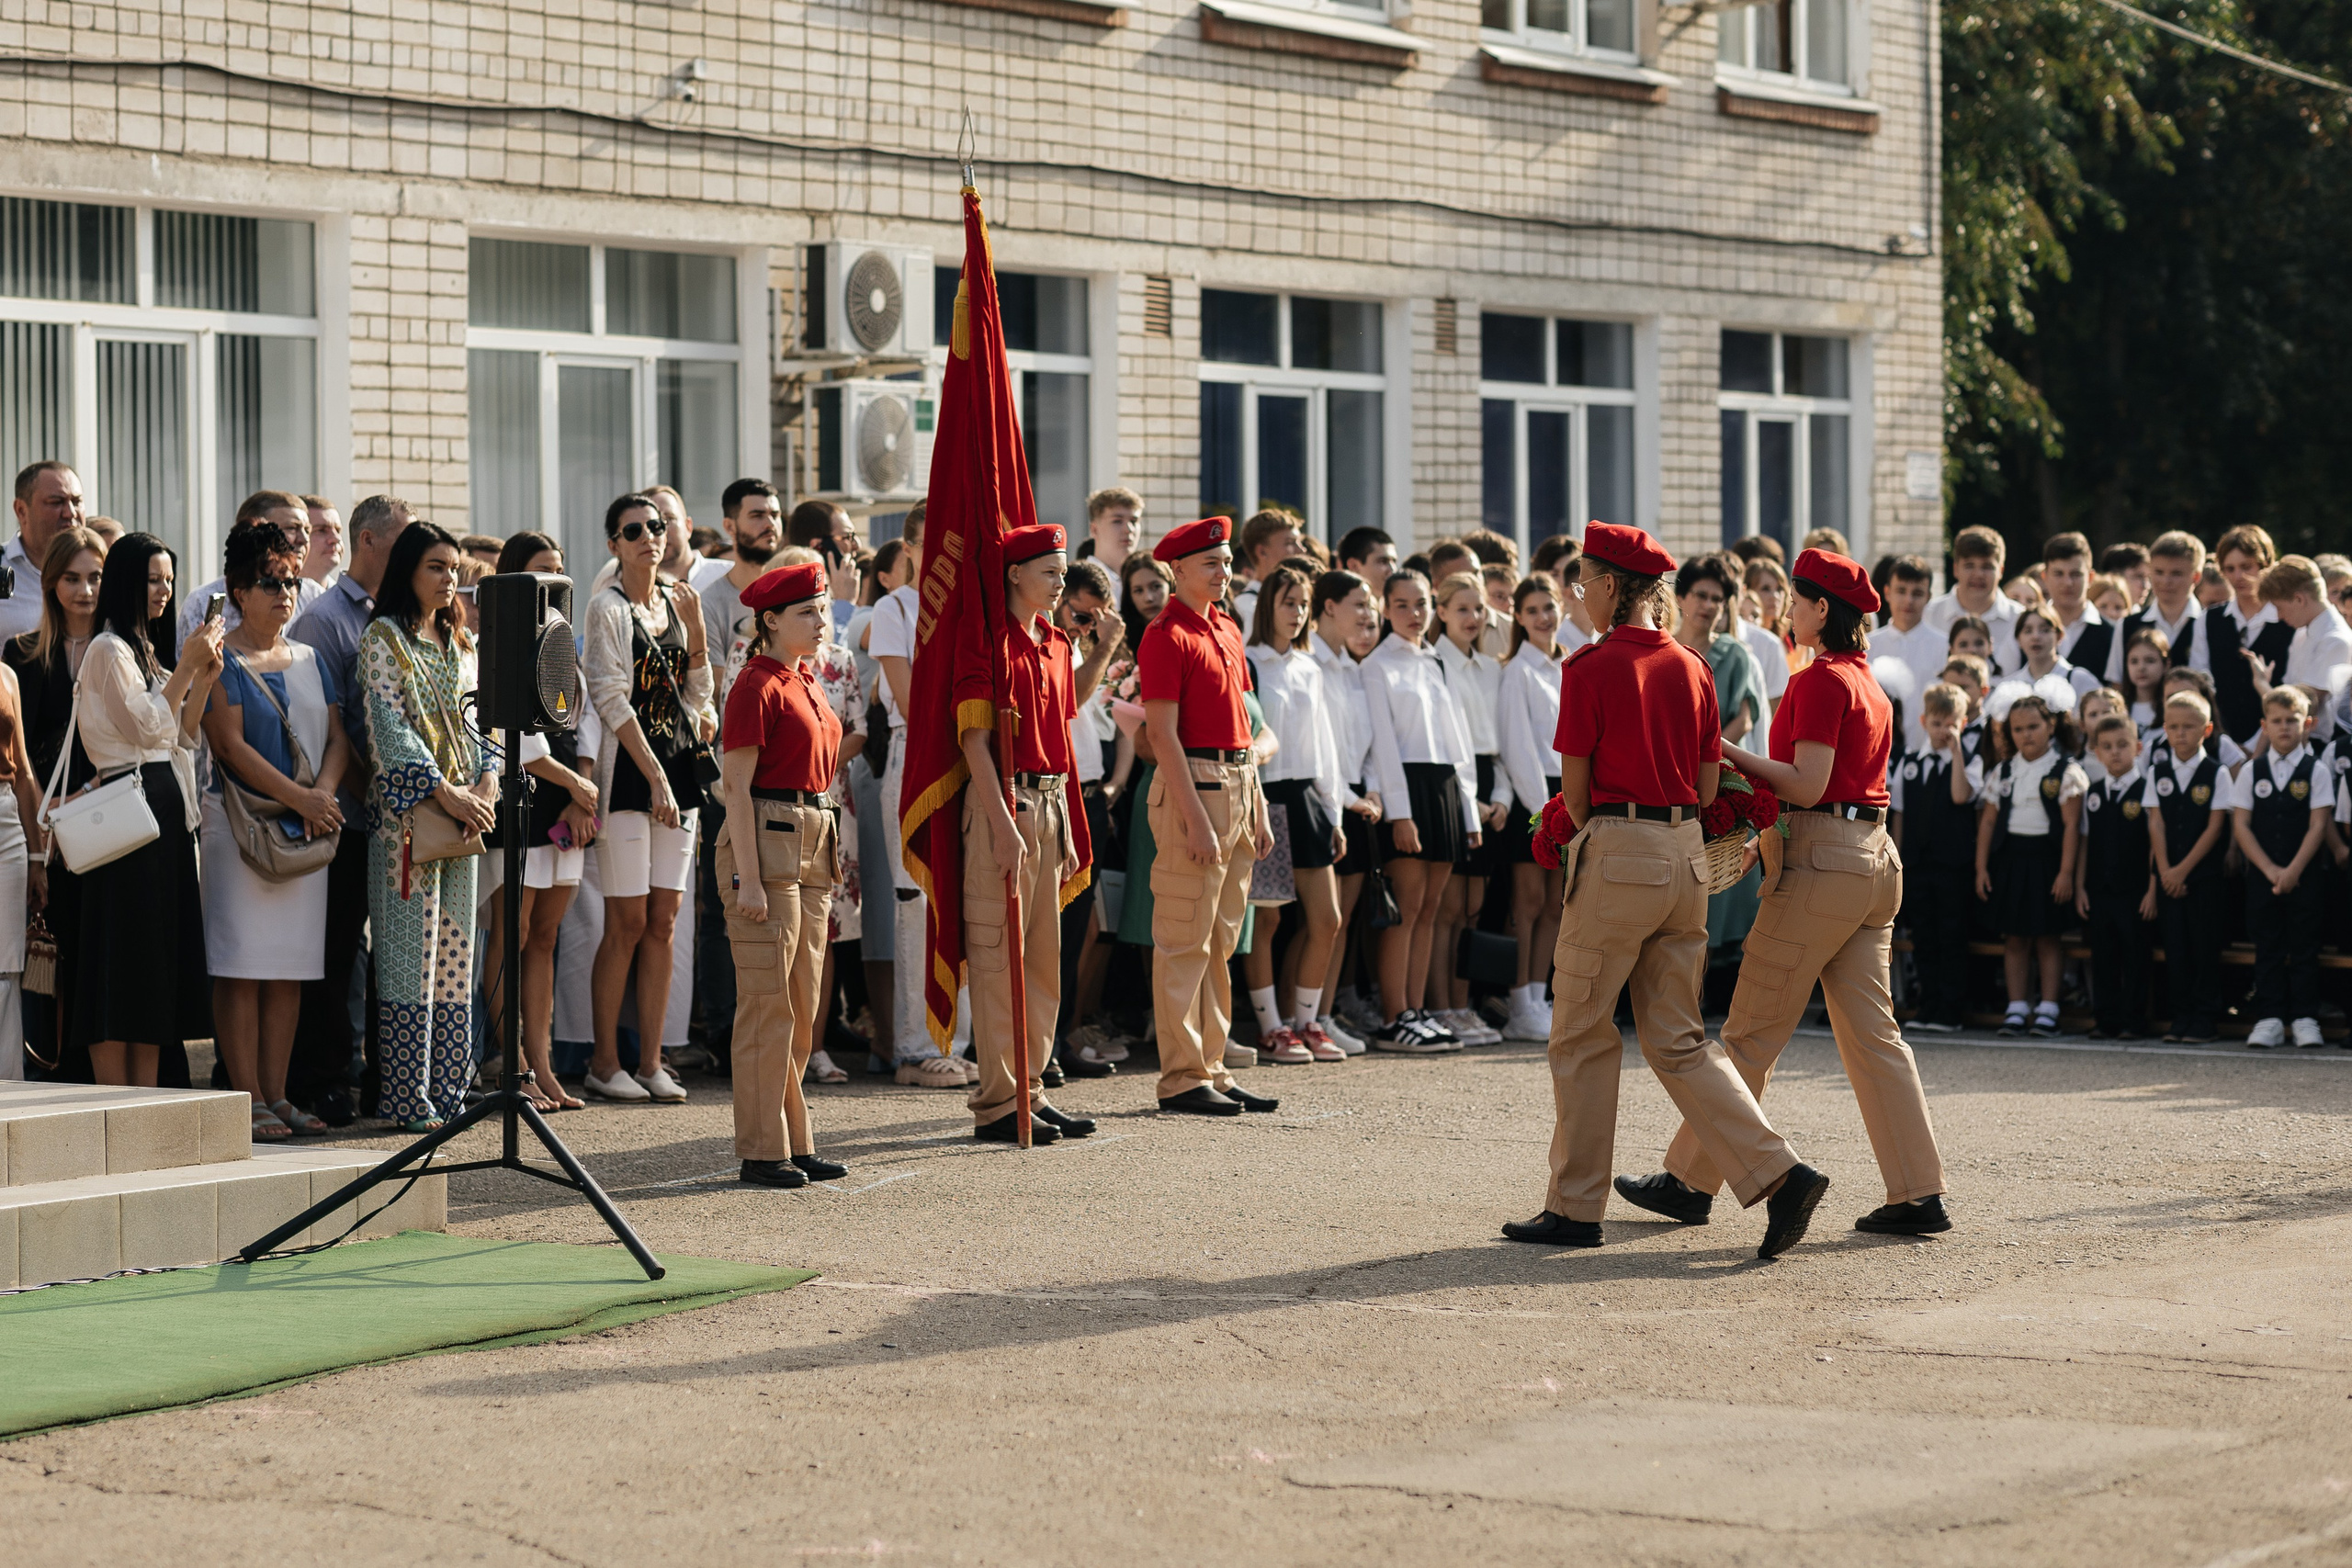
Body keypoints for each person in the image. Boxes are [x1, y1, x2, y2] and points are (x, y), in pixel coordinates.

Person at [1506, 522, 1826, 1257]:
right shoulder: (1693, 666)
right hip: (1684, 856)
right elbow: (1711, 781)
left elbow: (1578, 796)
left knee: (1583, 1032)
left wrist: (1601, 835)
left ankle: (1575, 1207)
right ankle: (1778, 1171)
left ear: (1613, 587)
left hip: (1617, 848)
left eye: (1583, 581)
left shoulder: (1588, 666)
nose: (1577, 595)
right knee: (1679, 1040)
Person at [1622, 548, 1950, 1239]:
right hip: (1870, 857)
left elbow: (1804, 784)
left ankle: (1688, 1179)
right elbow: (1826, 791)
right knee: (1874, 1036)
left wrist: (1726, 749)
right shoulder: (1866, 681)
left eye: (1798, 601)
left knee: (1749, 1032)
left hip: (1824, 866)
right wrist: (1760, 837)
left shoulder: (1819, 679)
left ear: (1821, 609)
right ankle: (1918, 1190)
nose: (1789, 611)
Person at [198, 520, 354, 1138]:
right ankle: (246, 1098)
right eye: (270, 581)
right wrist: (305, 799)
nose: (284, 593)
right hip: (240, 831)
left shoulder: (313, 658)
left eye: (291, 581)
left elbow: (339, 739)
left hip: (304, 828)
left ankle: (280, 1093)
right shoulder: (221, 657)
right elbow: (230, 747)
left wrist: (321, 795)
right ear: (238, 589)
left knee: (288, 968)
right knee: (242, 967)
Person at [952, 525, 1100, 1142]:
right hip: (1002, 808)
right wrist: (1004, 820)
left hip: (1050, 800)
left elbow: (1061, 737)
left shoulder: (1057, 642)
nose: (1062, 579)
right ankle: (996, 1100)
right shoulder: (990, 640)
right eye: (1049, 570)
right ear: (1014, 573)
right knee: (997, 959)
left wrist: (1065, 820)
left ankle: (1032, 1088)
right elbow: (974, 740)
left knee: (1043, 960)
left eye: (1064, 569)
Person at [68, 533, 221, 1087]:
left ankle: (147, 1096)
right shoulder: (107, 649)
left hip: (164, 808)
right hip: (127, 811)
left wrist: (202, 680)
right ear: (129, 580)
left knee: (153, 958)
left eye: (171, 580)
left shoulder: (142, 649)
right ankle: (114, 1097)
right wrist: (185, 670)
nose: (165, 591)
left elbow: (179, 735)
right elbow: (143, 727)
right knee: (121, 956)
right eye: (155, 579)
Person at [1136, 517, 1278, 1117]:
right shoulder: (1166, 634)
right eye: (1212, 564)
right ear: (1179, 570)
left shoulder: (1224, 627)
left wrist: (1260, 807)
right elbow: (1162, 736)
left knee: (1220, 942)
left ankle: (1212, 1066)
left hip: (1238, 782)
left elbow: (1247, 725)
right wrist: (1195, 818)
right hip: (1195, 785)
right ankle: (1181, 1076)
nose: (1225, 573)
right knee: (1183, 938)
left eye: (1226, 562)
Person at [717, 562, 851, 1187]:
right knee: (768, 1004)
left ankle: (794, 1139)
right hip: (766, 842)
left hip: (812, 838)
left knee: (802, 1002)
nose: (821, 622)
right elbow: (736, 789)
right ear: (770, 620)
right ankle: (763, 1147)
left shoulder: (805, 680)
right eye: (807, 612)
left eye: (822, 610)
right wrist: (746, 878)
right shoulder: (755, 684)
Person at [359, 523, 494, 1131]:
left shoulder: (460, 641)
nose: (448, 579)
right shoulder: (384, 639)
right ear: (409, 569)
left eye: (454, 567)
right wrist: (447, 792)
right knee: (407, 954)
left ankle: (450, 1090)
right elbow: (389, 727)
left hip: (465, 818)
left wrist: (486, 787)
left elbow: (484, 724)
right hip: (408, 825)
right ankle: (407, 1097)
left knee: (456, 955)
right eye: (436, 566)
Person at [582, 492, 716, 1103]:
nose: (647, 537)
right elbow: (609, 699)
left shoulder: (677, 602)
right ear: (614, 543)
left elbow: (698, 694)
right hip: (632, 777)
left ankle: (653, 1060)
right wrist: (656, 776)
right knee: (627, 920)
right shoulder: (605, 608)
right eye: (633, 529)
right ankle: (605, 1061)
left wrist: (699, 639)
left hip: (677, 771)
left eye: (655, 527)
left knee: (664, 919)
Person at [283, 494, 411, 1122]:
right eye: (403, 543)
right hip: (352, 818)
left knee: (395, 953)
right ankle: (326, 1077)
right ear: (368, 541)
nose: (414, 558)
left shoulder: (410, 617)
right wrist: (379, 796)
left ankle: (391, 1076)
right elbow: (332, 730)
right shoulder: (326, 621)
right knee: (335, 953)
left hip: (406, 821)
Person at [1360, 569, 1477, 1054]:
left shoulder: (1433, 661)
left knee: (1431, 909)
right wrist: (1400, 814)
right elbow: (1383, 747)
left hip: (1444, 786)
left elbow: (1458, 742)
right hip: (1407, 786)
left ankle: (1418, 1009)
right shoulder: (1376, 665)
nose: (1414, 614)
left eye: (1422, 604)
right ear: (1386, 609)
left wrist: (1467, 812)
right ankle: (1395, 1016)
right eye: (1403, 605)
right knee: (1407, 910)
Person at [1244, 562, 1351, 1064]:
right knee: (1265, 922)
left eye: (1303, 603)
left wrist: (1334, 814)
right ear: (1268, 605)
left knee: (1326, 918)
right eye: (1288, 602)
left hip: (1308, 797)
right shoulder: (1250, 661)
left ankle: (1307, 1019)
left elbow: (1326, 744)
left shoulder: (1310, 666)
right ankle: (1271, 1026)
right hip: (1265, 796)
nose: (1297, 612)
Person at [6, 527, 101, 1077]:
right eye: (72, 578)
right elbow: (21, 756)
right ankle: (52, 1070)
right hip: (42, 825)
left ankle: (94, 1071)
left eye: (95, 577)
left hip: (107, 818)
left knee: (95, 951)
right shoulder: (19, 654)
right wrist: (42, 833)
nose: (85, 590)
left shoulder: (124, 650)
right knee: (51, 951)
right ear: (50, 582)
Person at [1973, 691, 2086, 1039]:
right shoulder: (2003, 771)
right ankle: (2017, 1006)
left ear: (2051, 725)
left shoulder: (2066, 771)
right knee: (2015, 937)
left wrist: (2066, 872)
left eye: (2034, 726)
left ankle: (2049, 1008)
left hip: (2048, 864)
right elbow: (1988, 823)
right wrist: (1981, 868)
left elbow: (2072, 826)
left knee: (2047, 937)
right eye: (2018, 729)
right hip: (2010, 862)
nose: (2027, 735)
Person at [1426, 570, 1507, 1046]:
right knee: (1448, 908)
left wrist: (1501, 799)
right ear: (1441, 612)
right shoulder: (1434, 663)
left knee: (1475, 908)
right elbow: (1446, 742)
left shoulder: (1492, 667)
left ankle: (1464, 1003)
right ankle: (1442, 1005)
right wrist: (1471, 800)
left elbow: (1500, 741)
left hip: (1491, 782)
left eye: (1478, 609)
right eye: (1461, 609)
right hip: (1455, 782)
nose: (1472, 618)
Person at [1306, 569, 1383, 1055]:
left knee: (1343, 918)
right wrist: (1349, 798)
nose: (1367, 614)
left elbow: (1367, 742)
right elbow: (1317, 747)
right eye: (1358, 603)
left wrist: (1371, 791)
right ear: (1329, 607)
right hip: (1326, 800)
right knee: (1320, 920)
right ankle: (1305, 1016)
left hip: (1359, 802)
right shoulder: (1309, 662)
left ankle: (1325, 1013)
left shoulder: (1353, 667)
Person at [2230, 686, 2331, 1049]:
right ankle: (2270, 1017)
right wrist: (2272, 870)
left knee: (2304, 947)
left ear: (2307, 724)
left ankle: (2305, 1018)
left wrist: (2292, 871)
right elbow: (2241, 825)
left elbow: (2319, 825)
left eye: (2292, 720)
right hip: (2263, 878)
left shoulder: (2316, 770)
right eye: (2277, 721)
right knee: (2268, 946)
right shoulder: (2251, 771)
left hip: (2304, 878)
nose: (2284, 727)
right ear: (2264, 725)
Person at [1494, 572, 1566, 1044]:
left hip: (1569, 793)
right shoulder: (1516, 672)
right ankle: (1519, 1000)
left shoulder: (1566, 667)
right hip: (1533, 798)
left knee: (1557, 905)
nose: (1543, 618)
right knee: (1528, 903)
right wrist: (1541, 810)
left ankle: (1539, 996)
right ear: (1519, 618)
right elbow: (1517, 746)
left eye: (1549, 607)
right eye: (1532, 610)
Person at [1892, 682, 1976, 1033]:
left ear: (1963, 723)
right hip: (1917, 863)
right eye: (1937, 723)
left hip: (1951, 865)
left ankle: (1950, 1009)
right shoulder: (1910, 762)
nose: (1943, 731)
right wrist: (1896, 859)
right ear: (1924, 721)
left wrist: (1957, 752)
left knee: (1951, 934)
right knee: (1924, 935)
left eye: (1950, 724)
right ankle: (1927, 1005)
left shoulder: (1968, 761)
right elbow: (1898, 812)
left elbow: (1960, 796)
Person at [2144, 690, 2227, 1043]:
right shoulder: (2157, 771)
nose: (2181, 734)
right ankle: (2181, 1017)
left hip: (2203, 878)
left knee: (2203, 947)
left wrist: (2182, 870)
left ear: (2206, 730)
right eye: (2174, 727)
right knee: (2176, 948)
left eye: (2189, 727)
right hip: (2168, 879)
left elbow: (2215, 826)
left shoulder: (2216, 772)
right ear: (2165, 729)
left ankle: (2205, 1018)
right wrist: (2165, 870)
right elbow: (2156, 823)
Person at [2071, 712, 2154, 1041]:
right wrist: (2079, 886)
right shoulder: (2093, 793)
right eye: (2107, 746)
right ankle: (2105, 1019)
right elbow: (2084, 842)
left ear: (2138, 748)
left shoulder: (2147, 790)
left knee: (2135, 956)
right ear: (2097, 752)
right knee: (2103, 956)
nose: (2115, 752)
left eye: (2123, 745)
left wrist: (2152, 889)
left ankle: (2134, 1021)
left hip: (2135, 891)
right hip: (2100, 890)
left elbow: (2153, 844)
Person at [175, 491, 328, 654]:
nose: (304, 539)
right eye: (291, 528)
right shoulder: (203, 602)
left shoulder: (315, 596)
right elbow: (191, 673)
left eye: (307, 531)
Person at [2199, 524, 2291, 745]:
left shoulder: (2287, 619)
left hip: (2278, 738)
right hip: (2222, 739)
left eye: (2246, 567)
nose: (2238, 576)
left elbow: (2293, 689)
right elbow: (2202, 680)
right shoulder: (2209, 619)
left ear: (2265, 564)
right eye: (2229, 569)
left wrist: (2258, 745)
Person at [2256, 556, 2352, 734]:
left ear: (2299, 599)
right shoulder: (2301, 634)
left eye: (2279, 607)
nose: (2279, 616)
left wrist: (2261, 684)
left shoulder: (2336, 640)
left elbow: (2295, 707)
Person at [0, 461, 85, 646]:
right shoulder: (2, 568)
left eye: (77, 502)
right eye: (56, 502)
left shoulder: (103, 570)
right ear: (21, 510)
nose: (70, 513)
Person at [1924, 525, 2023, 677]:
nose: (1978, 574)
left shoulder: (2020, 619)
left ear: (2001, 571)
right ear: (1956, 569)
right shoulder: (1930, 614)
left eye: (1987, 567)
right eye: (1969, 566)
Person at [2109, 531, 2206, 682]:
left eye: (2176, 574)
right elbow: (2118, 684)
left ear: (2196, 577)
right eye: (2159, 572)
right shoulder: (2128, 626)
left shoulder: (2209, 624)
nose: (2166, 581)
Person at [2041, 532, 2114, 680]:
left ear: (2090, 577)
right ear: (2045, 577)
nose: (2067, 583)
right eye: (2058, 573)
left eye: (2075, 574)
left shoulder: (2111, 634)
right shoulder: (2025, 629)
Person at [1230, 508, 1306, 626]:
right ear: (1262, 552)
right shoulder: (1247, 610)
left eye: (1299, 542)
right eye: (1290, 543)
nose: (1301, 550)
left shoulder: (1301, 606)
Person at [2014, 605, 2099, 704]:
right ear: (2018, 639)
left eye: (2045, 630)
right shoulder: (2011, 685)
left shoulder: (2079, 680)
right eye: (2028, 631)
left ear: (2059, 636)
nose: (2036, 637)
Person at [1079, 487, 1143, 604]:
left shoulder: (1146, 580)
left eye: (1134, 521)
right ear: (1094, 529)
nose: (1129, 529)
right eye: (1117, 521)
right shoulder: (1077, 581)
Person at [1337, 526, 1398, 600]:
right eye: (1383, 561)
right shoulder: (1338, 610)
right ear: (1354, 566)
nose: (1393, 570)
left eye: (1394, 561)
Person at [299, 496, 344, 586]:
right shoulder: (270, 597)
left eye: (338, 530)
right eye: (321, 530)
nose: (336, 538)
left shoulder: (349, 599)